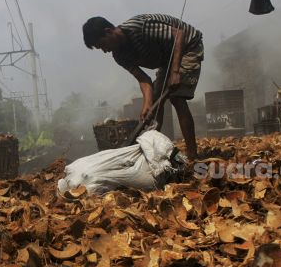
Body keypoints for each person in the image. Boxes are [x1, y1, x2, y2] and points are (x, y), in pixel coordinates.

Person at [83, 14, 203, 159]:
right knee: (154, 105)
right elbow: (144, 79)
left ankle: (192, 155)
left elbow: (179, 34)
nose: (104, 50)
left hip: (187, 46)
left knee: (177, 98)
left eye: (102, 45)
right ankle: (153, 152)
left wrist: (176, 71)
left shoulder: (138, 27)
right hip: (167, 60)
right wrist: (147, 104)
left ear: (108, 31)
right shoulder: (119, 56)